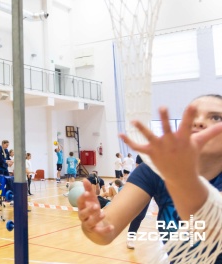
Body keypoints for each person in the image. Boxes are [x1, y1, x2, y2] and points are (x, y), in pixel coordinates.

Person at [77, 94, 222, 262]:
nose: (198, 122)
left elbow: (212, 223)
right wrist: (93, 225)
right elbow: (106, 229)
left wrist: (180, 174)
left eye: (216, 117)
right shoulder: (153, 171)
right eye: (192, 117)